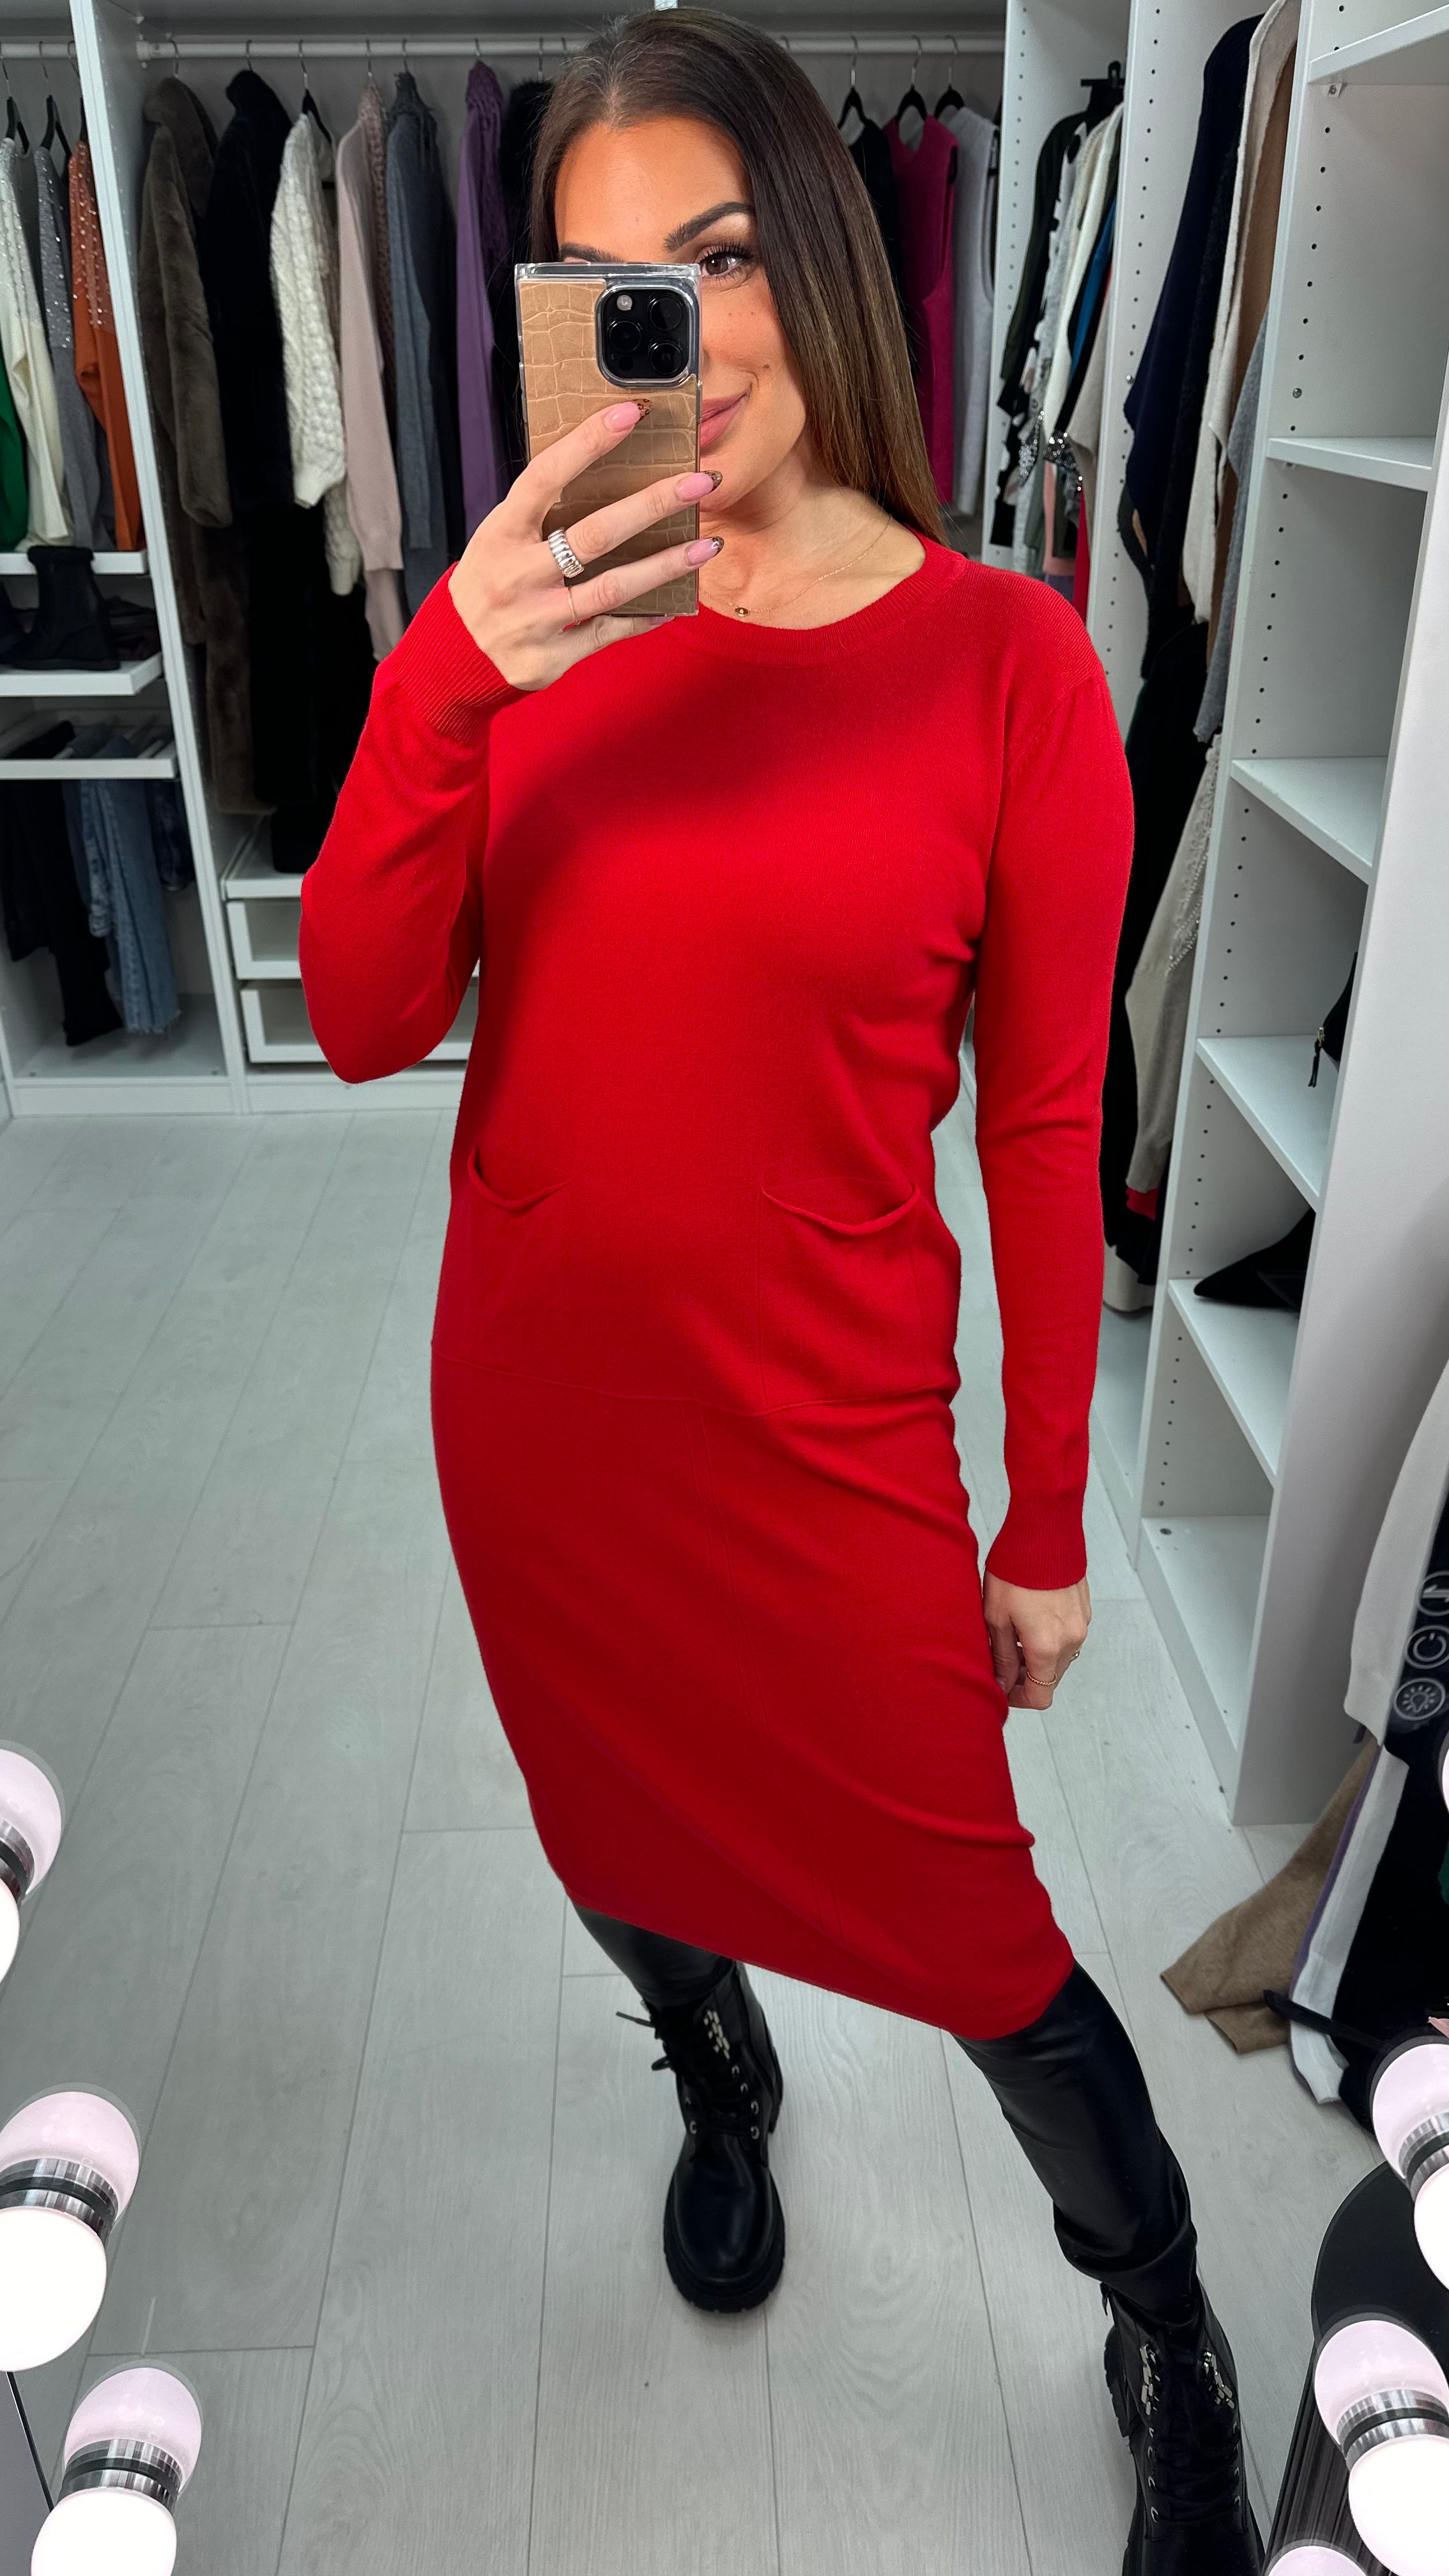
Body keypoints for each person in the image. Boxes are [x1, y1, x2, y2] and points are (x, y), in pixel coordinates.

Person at [300, 14, 1261, 2570]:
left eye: (719, 259)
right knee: (608, 1824)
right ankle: (716, 2069)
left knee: (983, 1939)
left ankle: (1164, 2317)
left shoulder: (1008, 668)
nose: (683, 337)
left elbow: (1041, 1129)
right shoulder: (526, 631)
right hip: (544, 1428)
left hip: (826, 1448)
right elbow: (370, 1015)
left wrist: (1039, 1520)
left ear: (825, 256)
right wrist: (447, 668)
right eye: (611, 284)